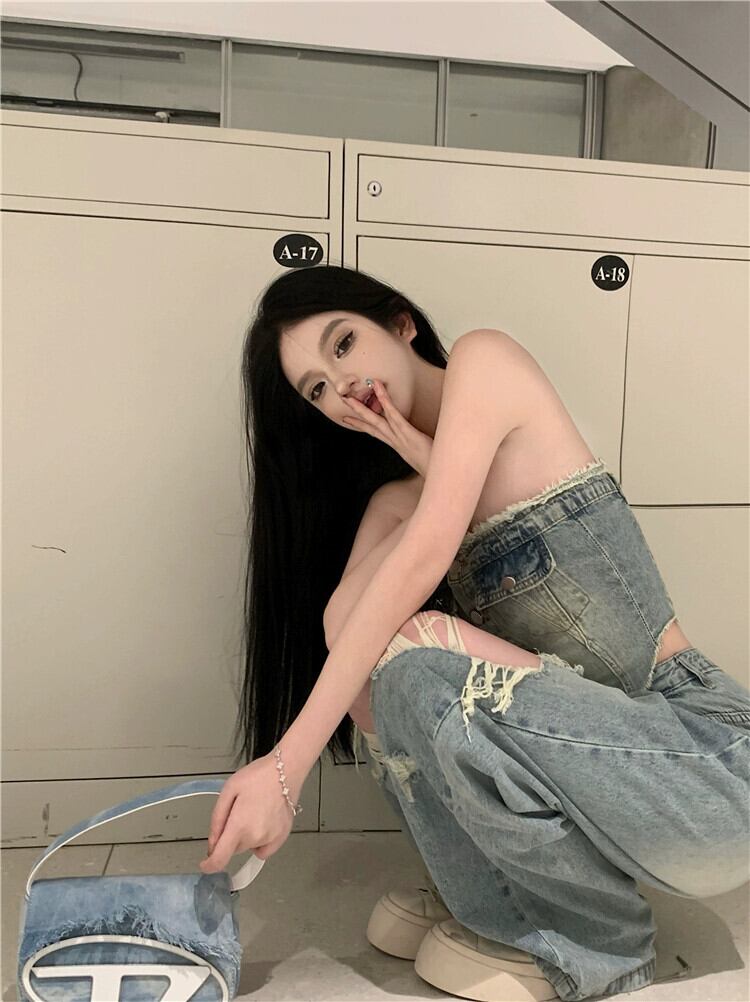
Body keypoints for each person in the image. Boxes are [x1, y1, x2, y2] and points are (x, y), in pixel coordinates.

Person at [200, 264, 750, 1001]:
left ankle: (598, 939)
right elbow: (344, 630)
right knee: (384, 674)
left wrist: (283, 769)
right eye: (317, 389)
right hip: (604, 794)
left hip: (707, 770)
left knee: (419, 646)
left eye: (343, 344)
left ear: (400, 323)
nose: (343, 386)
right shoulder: (400, 500)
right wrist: (427, 473)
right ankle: (499, 897)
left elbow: (431, 552)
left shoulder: (485, 362)